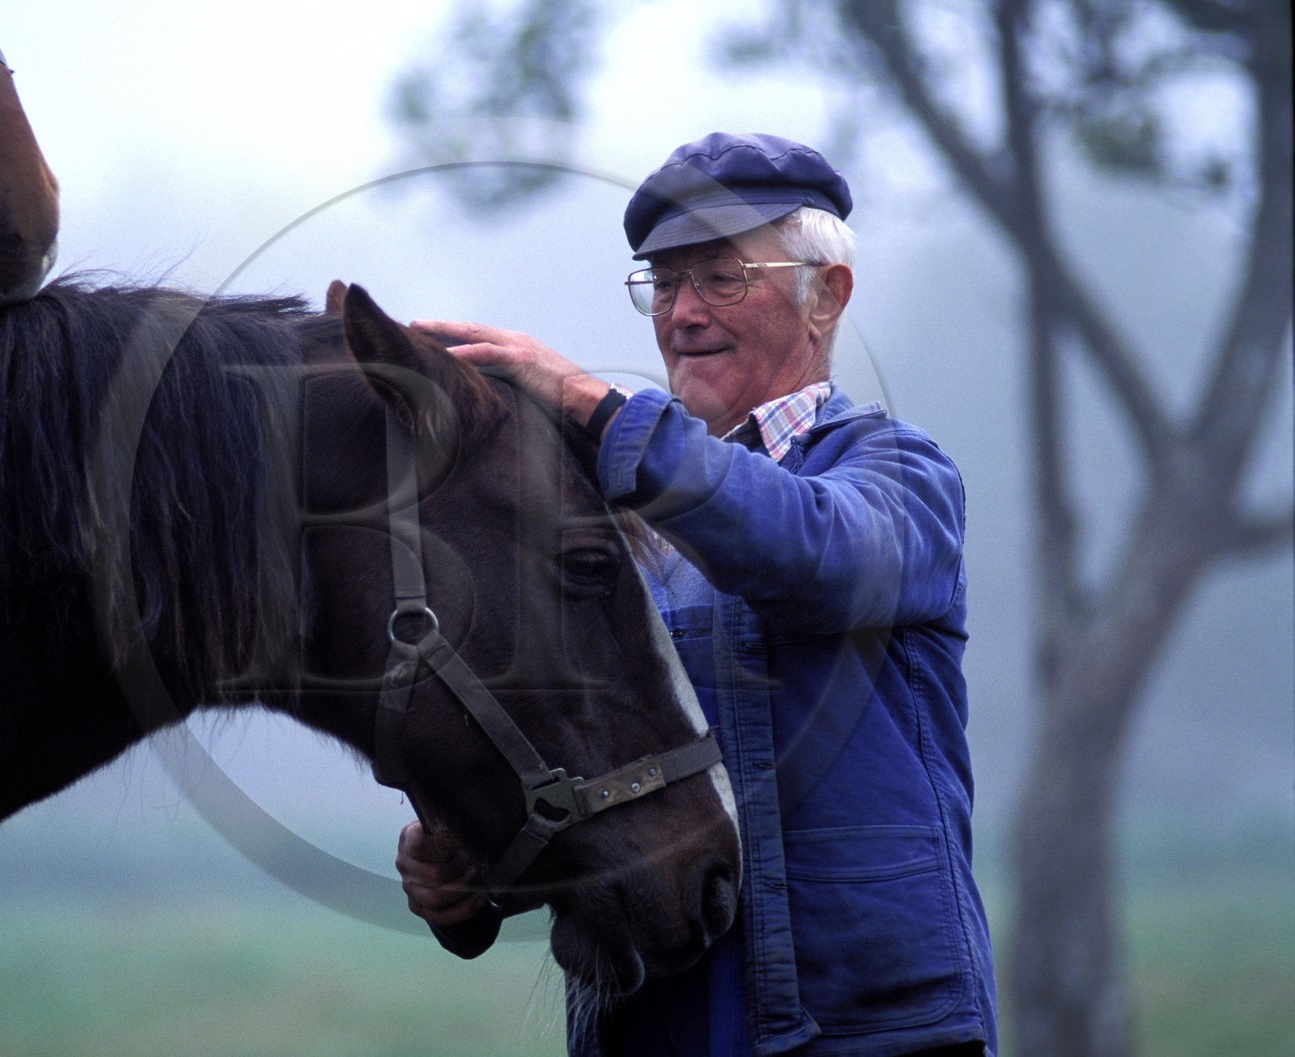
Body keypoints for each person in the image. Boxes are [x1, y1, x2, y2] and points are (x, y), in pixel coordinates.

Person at [395, 132, 997, 1057]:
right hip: (649, 1026)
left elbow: (809, 557)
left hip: (867, 1031)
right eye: (663, 282)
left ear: (826, 295)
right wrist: (473, 874)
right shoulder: (610, 520)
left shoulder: (901, 474)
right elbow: (579, 772)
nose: (681, 314)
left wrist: (593, 407)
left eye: (721, 277)